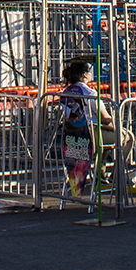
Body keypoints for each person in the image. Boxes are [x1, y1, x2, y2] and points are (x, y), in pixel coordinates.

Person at [55, 56, 112, 200]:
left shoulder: (65, 93)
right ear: (85, 75)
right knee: (125, 138)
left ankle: (101, 174)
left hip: (72, 136)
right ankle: (113, 175)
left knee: (104, 144)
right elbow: (105, 119)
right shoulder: (91, 93)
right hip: (91, 135)